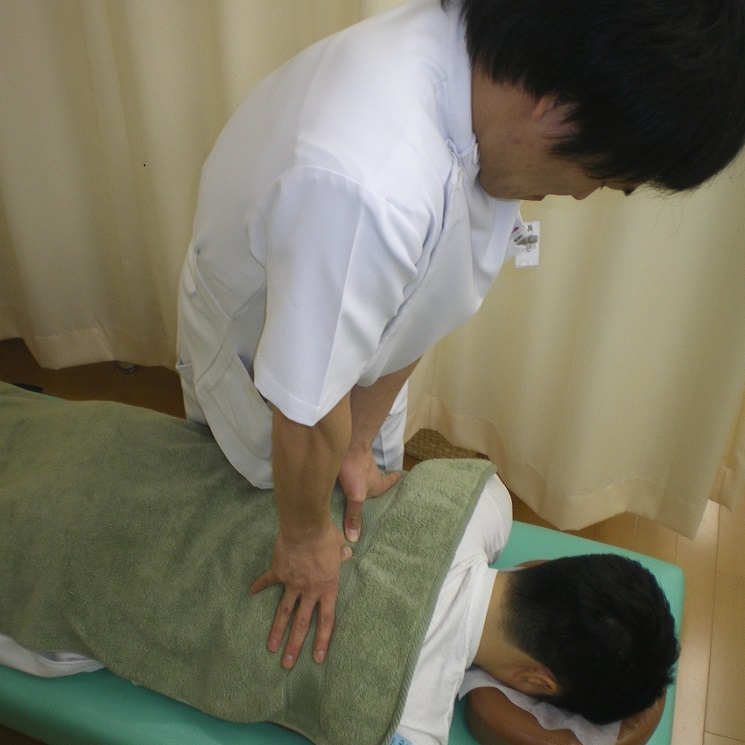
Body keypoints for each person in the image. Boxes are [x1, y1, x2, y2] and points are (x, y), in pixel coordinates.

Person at [176, 0, 744, 670]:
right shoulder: (365, 184)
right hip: (265, 350)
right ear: (555, 108)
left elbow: (427, 298)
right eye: (603, 178)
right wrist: (303, 540)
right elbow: (301, 412)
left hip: (356, 367)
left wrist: (358, 442)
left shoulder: (489, 100)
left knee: (351, 481)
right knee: (241, 513)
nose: (586, 197)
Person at [0, 384, 679, 744]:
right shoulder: (402, 718)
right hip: (46, 565)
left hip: (104, 443)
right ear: (533, 678)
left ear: (541, 566)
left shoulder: (482, 499)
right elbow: (491, 719)